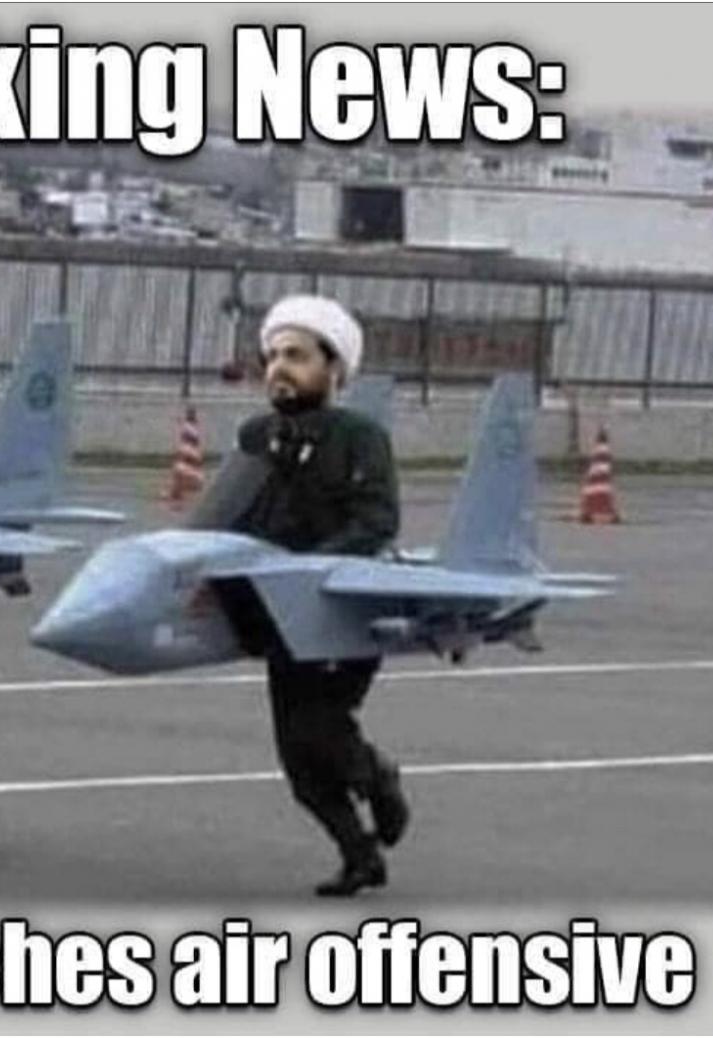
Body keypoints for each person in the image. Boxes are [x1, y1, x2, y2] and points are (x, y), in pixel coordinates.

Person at [225, 294, 410, 896]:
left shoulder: (360, 437)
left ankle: (378, 778)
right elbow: (228, 516)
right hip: (277, 616)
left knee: (320, 731)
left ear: (334, 369)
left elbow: (377, 521)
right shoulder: (257, 437)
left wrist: (313, 568)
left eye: (298, 356)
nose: (280, 367)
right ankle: (360, 857)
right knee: (298, 760)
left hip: (342, 611)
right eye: (274, 355)